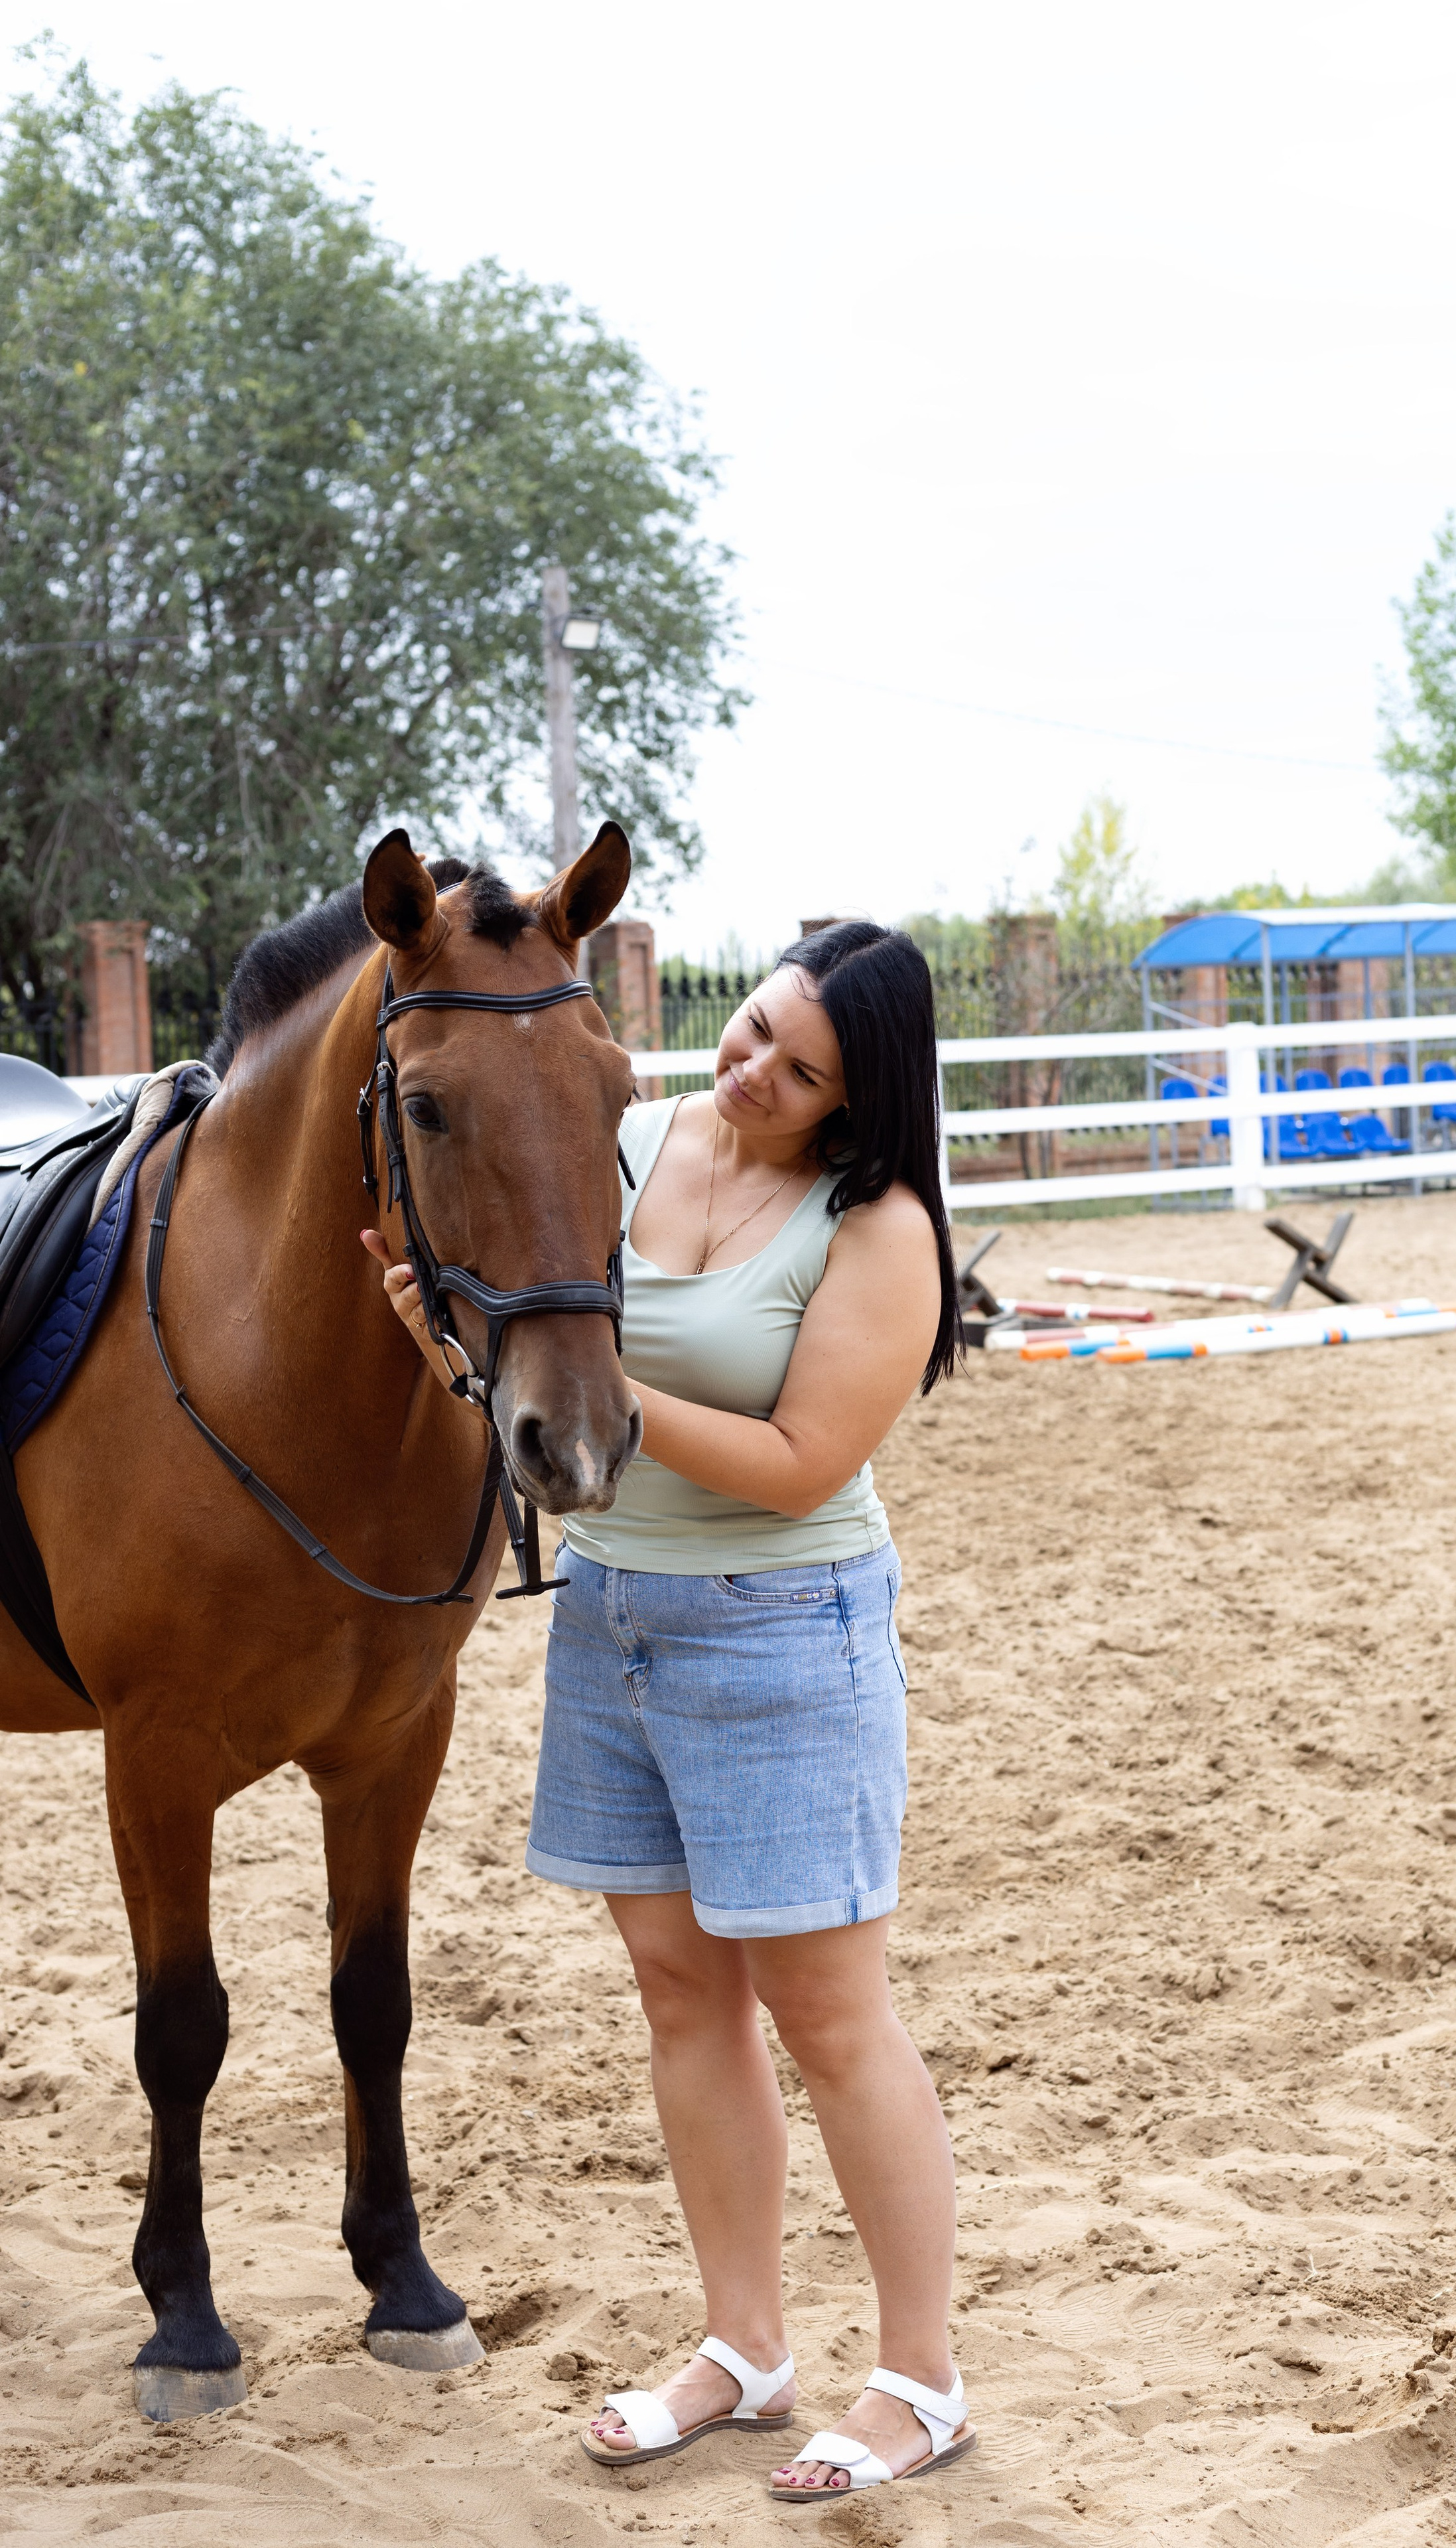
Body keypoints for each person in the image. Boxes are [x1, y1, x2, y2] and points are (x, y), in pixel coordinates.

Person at [364, 920, 971, 2502]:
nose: (753, 1071)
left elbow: (798, 1462)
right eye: (754, 1030)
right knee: (680, 1995)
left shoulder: (875, 1226)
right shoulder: (624, 1138)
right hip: (613, 1613)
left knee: (829, 2017)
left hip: (782, 1627)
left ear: (861, 1099)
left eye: (802, 1069)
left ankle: (919, 2378)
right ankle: (745, 2348)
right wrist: (449, 1341)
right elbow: (526, 1331)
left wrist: (615, 1406)